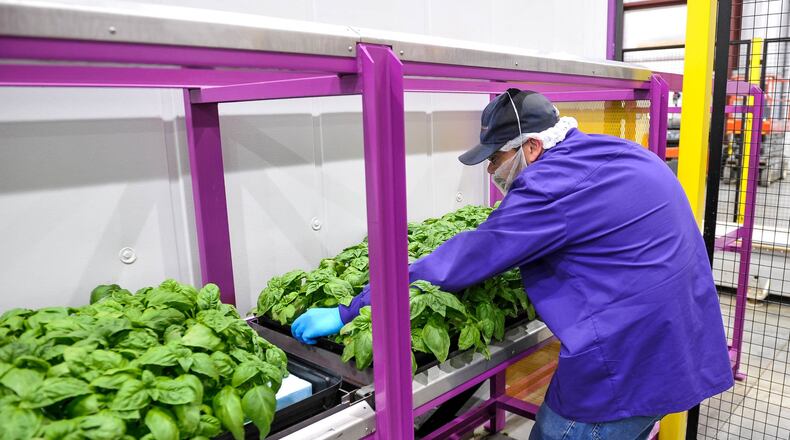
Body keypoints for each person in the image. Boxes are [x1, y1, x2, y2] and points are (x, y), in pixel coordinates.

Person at [291, 89, 733, 439]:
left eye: (496, 158)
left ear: (533, 147)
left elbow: (459, 262)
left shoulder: (549, 187)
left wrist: (351, 307)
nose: (491, 172)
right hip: (680, 339)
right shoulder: (615, 153)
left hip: (625, 366)